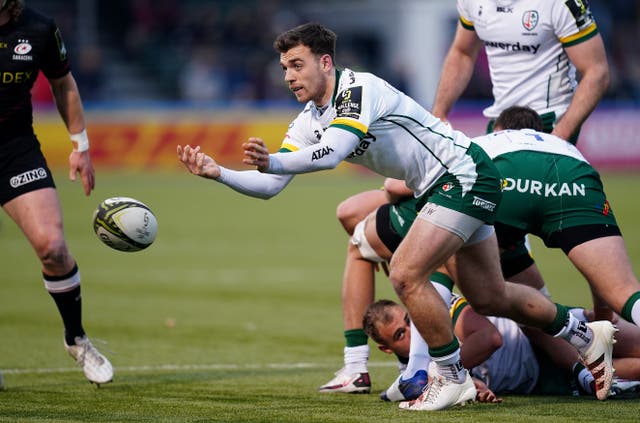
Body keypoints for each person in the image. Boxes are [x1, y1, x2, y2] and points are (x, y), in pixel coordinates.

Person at [177, 22, 616, 410]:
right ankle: (585, 336)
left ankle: (450, 377)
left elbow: (334, 153)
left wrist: (272, 160)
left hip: (461, 173)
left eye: (296, 65)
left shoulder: (358, 89)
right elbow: (271, 186)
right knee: (490, 297)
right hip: (447, 184)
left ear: (325, 62)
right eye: (284, 68)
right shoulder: (308, 120)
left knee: (406, 272)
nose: (289, 76)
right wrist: (221, 174)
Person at [328, 106, 640, 399]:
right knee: (619, 292)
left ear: (497, 129)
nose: (409, 327)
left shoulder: (480, 146)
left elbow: (383, 193)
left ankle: (387, 370)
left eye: (406, 324)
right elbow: (591, 280)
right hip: (566, 179)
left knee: (413, 252)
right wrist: (600, 320)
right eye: (401, 333)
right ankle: (581, 365)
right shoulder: (555, 151)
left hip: (490, 195)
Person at [0, 0, 112, 385]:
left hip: (13, 149)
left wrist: (80, 146)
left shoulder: (39, 28)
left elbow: (62, 83)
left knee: (52, 246)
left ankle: (76, 339)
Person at [364, 298, 640, 400]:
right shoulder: (413, 379)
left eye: (410, 320)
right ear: (386, 349)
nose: (414, 331)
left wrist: (446, 373)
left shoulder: (438, 309)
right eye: (400, 334)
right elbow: (470, 384)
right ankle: (588, 379)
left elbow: (489, 337)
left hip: (540, 334)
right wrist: (475, 387)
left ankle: (588, 377)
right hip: (541, 378)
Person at [432, 0, 610, 143]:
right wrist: (439, 114)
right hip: (499, 121)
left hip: (549, 121)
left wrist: (560, 136)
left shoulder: (562, 3)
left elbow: (597, 72)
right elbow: (463, 53)